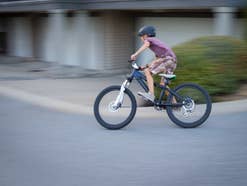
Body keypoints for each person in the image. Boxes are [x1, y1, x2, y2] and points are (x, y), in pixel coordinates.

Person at [131, 26, 177, 102]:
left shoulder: (149, 40)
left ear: (145, 35)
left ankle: (151, 94)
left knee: (147, 72)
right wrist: (145, 66)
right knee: (163, 84)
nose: (141, 38)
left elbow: (146, 45)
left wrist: (135, 54)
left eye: (141, 36)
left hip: (168, 60)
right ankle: (175, 104)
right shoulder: (156, 45)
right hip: (172, 61)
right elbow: (157, 61)